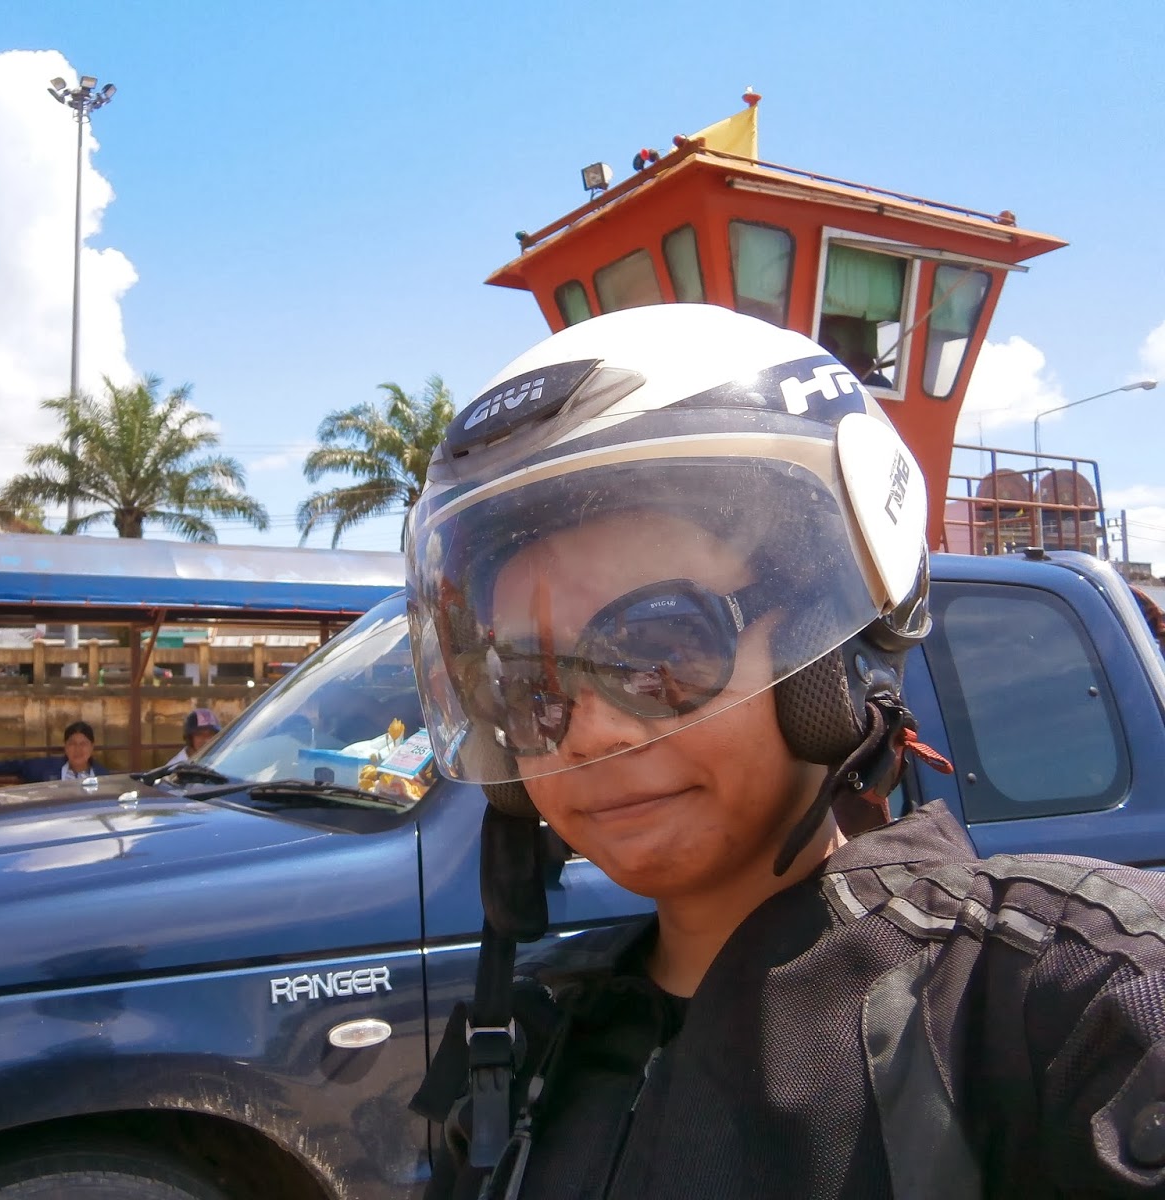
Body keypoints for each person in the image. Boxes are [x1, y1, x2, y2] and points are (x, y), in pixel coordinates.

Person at [404, 304, 1165, 1198]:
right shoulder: (531, 1055)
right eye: (526, 683)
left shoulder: (1067, 1003)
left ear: (824, 649)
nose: (591, 730)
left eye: (658, 646)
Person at [0, 720, 109, 783]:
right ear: (65, 746)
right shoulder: (47, 768)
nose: (77, 749)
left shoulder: (103, 776)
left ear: (92, 746)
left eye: (83, 744)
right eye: (72, 743)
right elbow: (14, 766)